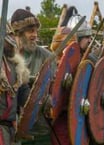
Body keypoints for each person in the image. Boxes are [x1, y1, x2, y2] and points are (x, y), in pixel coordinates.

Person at [10, 8, 55, 145]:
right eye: (31, 31)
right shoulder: (8, 58)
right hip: (15, 131)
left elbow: (53, 87)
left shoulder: (47, 56)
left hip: (42, 128)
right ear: (18, 33)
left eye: (36, 31)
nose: (35, 35)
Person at [50, 14, 93, 145]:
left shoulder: (89, 61)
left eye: (90, 36)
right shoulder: (57, 64)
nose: (90, 39)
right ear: (77, 39)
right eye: (86, 37)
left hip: (81, 118)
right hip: (62, 119)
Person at [0, 24, 30, 145]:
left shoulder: (17, 67)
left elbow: (25, 97)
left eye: (12, 34)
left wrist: (40, 99)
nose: (12, 40)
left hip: (11, 128)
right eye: (8, 35)